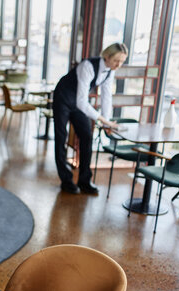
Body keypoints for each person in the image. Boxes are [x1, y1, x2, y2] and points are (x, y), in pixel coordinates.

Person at [53, 43, 128, 195]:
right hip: (63, 97)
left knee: (87, 136)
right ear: (107, 56)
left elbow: (106, 97)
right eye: (116, 61)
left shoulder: (109, 71)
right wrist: (102, 120)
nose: (118, 65)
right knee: (61, 137)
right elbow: (82, 101)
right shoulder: (87, 66)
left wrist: (107, 120)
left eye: (122, 62)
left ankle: (84, 180)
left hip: (78, 102)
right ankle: (66, 180)